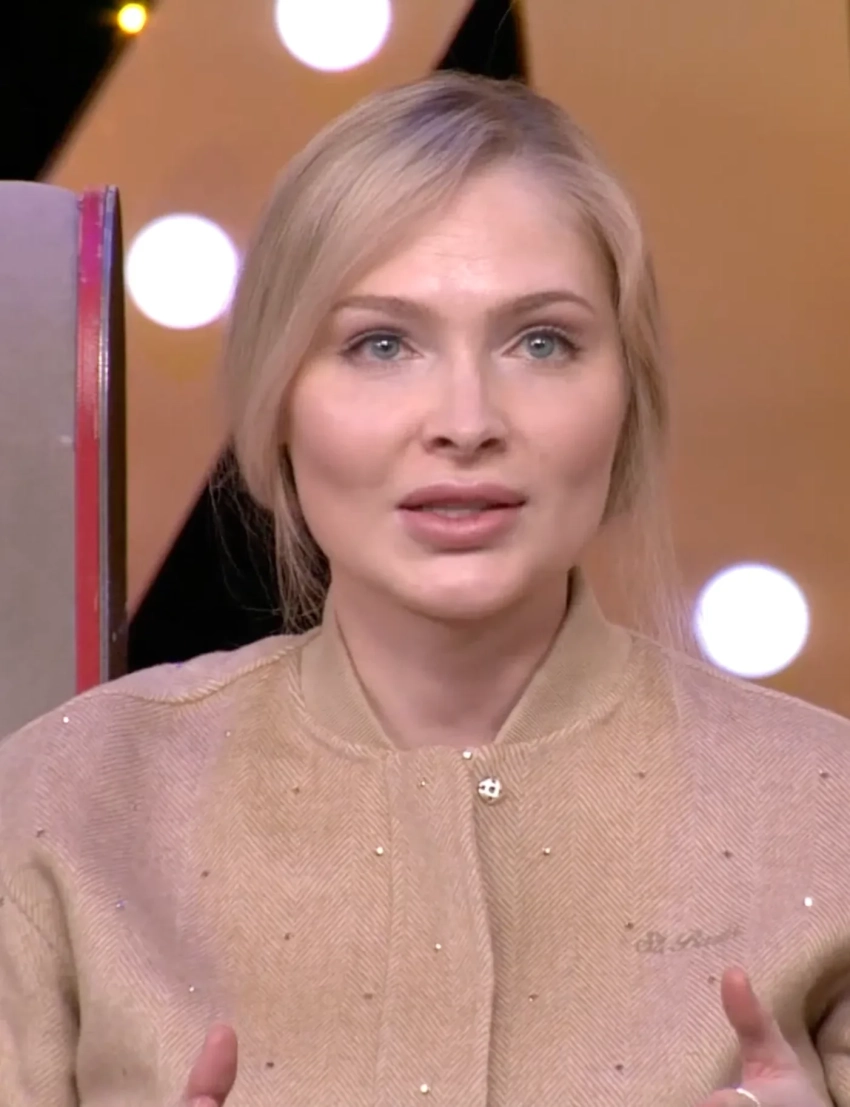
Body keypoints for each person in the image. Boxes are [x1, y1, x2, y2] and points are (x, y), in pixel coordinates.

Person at [0, 72, 847, 1107]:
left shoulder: (826, 811)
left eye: (542, 341)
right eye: (381, 344)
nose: (465, 421)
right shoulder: (65, 801)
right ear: (278, 401)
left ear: (628, 397)